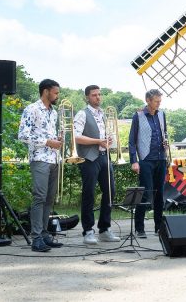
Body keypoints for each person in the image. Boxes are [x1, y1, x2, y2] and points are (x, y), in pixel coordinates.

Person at [18, 79, 63, 252]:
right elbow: (23, 135)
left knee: (49, 199)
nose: (57, 95)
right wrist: (47, 142)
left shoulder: (54, 112)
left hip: (53, 159)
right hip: (39, 159)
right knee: (39, 198)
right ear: (46, 92)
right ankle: (36, 238)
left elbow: (50, 136)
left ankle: (44, 235)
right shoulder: (32, 109)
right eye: (55, 92)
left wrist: (57, 141)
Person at [73, 84, 120, 246]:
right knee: (89, 194)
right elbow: (76, 137)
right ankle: (88, 231)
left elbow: (104, 136)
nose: (98, 97)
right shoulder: (82, 114)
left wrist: (108, 141)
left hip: (103, 156)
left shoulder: (103, 115)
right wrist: (98, 141)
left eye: (99, 94)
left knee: (111, 191)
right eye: (94, 95)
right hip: (88, 158)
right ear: (87, 97)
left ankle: (105, 229)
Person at [128, 88, 169, 239]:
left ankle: (159, 227)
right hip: (145, 160)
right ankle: (139, 227)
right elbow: (132, 141)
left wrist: (166, 144)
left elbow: (164, 133)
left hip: (161, 158)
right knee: (145, 194)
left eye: (160, 101)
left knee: (159, 195)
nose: (159, 104)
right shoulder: (138, 116)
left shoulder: (162, 114)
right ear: (148, 100)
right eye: (156, 101)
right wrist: (134, 161)